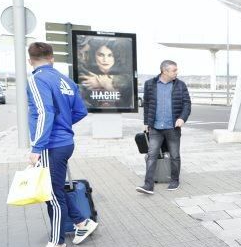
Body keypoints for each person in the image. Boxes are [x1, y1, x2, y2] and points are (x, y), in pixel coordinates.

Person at [24, 42, 98, 247]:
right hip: (65, 142)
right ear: (52, 58)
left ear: (30, 61)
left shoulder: (37, 79)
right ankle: (82, 223)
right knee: (55, 188)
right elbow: (80, 111)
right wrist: (64, 125)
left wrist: (37, 147)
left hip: (51, 145)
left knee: (51, 195)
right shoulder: (66, 80)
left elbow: (44, 112)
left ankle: (57, 245)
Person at [136, 60, 191, 194]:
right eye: (174, 70)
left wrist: (182, 118)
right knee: (151, 155)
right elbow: (147, 105)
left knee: (175, 155)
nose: (176, 72)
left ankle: (174, 180)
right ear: (164, 71)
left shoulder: (180, 85)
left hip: (173, 127)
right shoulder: (150, 84)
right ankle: (148, 185)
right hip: (155, 127)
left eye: (176, 70)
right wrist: (146, 123)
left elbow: (187, 104)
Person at [77, 38, 134, 110]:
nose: (105, 60)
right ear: (94, 56)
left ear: (115, 57)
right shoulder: (85, 75)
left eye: (110, 55)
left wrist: (107, 84)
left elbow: (126, 104)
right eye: (101, 55)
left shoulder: (126, 79)